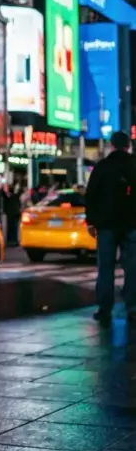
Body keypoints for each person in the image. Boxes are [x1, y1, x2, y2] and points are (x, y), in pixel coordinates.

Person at [85, 130, 136, 326]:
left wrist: (91, 221)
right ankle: (132, 307)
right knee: (132, 268)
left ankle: (104, 307)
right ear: (128, 146)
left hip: (106, 225)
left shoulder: (102, 167)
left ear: (112, 146)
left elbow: (91, 195)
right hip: (131, 224)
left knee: (105, 268)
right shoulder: (133, 165)